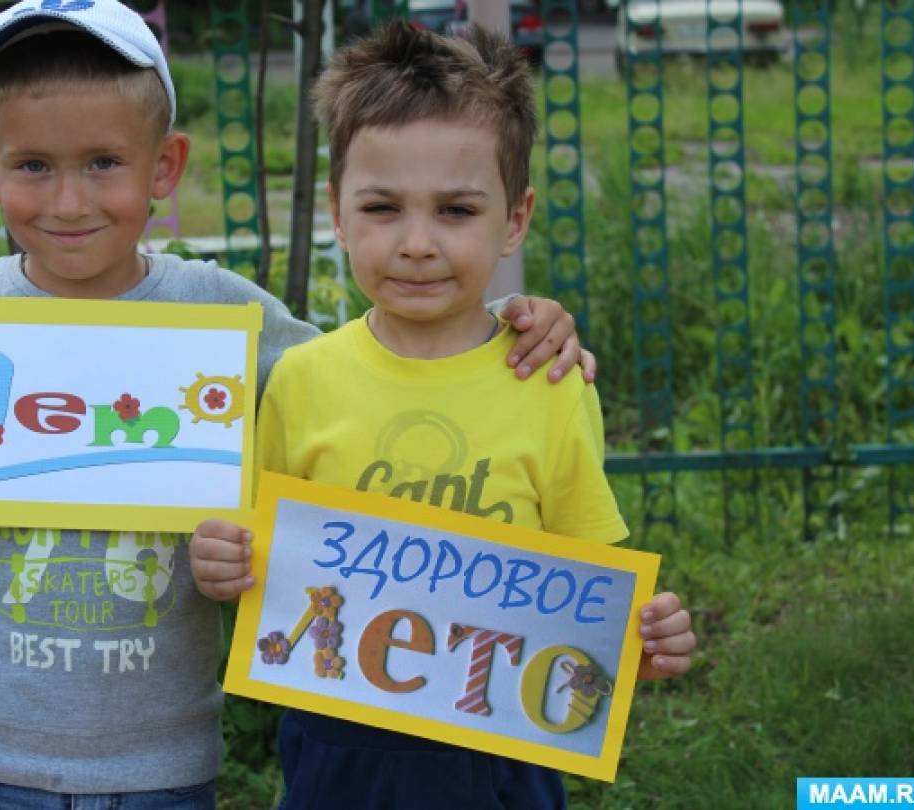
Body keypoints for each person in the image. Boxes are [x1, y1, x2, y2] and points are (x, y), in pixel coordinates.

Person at [0, 1, 590, 806]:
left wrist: (506, 333)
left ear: (164, 167)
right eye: (34, 165)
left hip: (165, 758)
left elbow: (372, 368)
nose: (70, 201)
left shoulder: (221, 312)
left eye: (104, 163)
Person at [189, 21, 696, 810]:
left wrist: (643, 637)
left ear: (514, 218)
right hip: (335, 750)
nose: (417, 243)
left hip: (500, 754)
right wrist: (223, 563)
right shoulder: (299, 380)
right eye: (382, 207)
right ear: (337, 212)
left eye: (456, 210)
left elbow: (589, 590)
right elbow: (262, 563)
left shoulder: (550, 382)